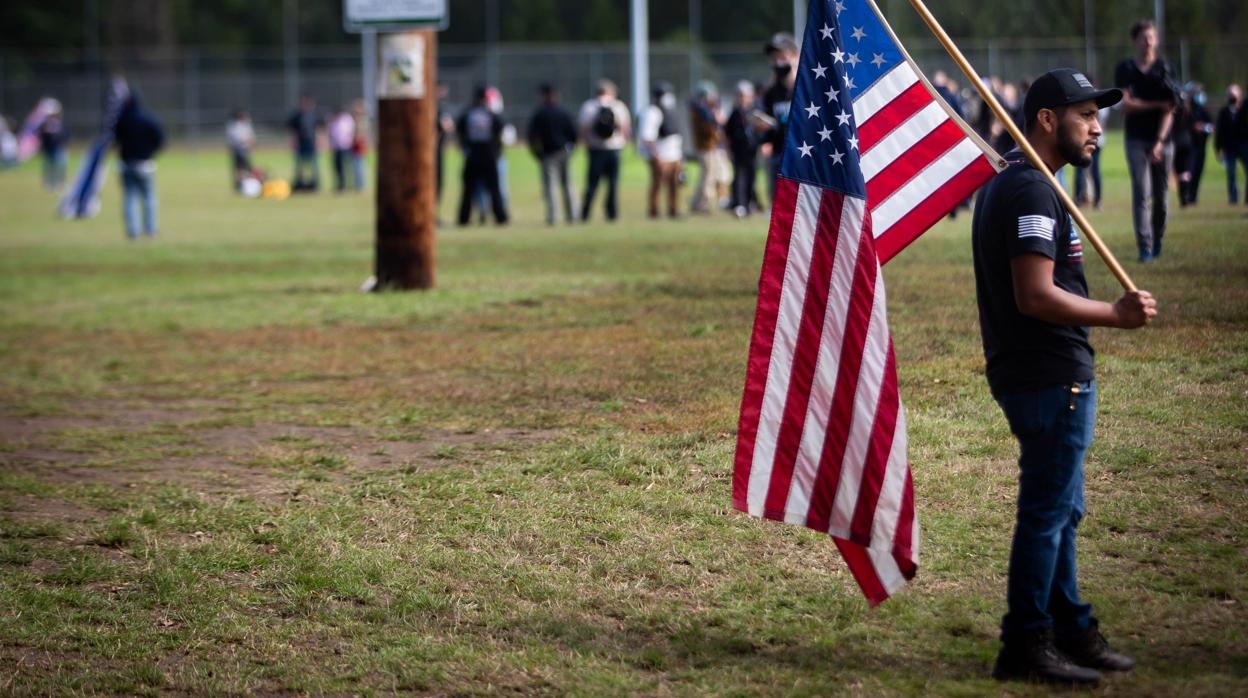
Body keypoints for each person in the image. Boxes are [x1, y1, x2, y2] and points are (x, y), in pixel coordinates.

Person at [972, 69, 1156, 686]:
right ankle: (1025, 641)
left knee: (1063, 509)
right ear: (1047, 121)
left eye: (1098, 116)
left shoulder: (1025, 182)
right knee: (1047, 513)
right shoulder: (1028, 190)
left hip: (1044, 375)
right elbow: (1035, 295)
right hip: (1049, 377)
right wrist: (1115, 315)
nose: (1098, 128)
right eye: (1085, 115)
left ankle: (1071, 627)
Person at [1114, 20, 1178, 262]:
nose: (1148, 42)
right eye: (1143, 37)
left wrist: (1160, 142)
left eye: (1151, 37)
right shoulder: (1126, 69)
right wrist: (1156, 104)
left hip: (1163, 140)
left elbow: (1170, 108)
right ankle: (1145, 246)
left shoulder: (1166, 68)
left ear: (1157, 40)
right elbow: (1125, 104)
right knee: (1142, 192)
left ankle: (1158, 238)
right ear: (1135, 41)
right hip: (1136, 140)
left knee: (1161, 198)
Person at [113, 90, 165, 240]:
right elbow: (160, 139)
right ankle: (150, 231)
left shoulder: (121, 120)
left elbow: (114, 139)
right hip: (145, 164)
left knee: (130, 197)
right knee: (149, 198)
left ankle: (133, 232)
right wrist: (150, 152)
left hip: (126, 164)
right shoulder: (148, 119)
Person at [577, 79, 631, 222]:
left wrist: (587, 144)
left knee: (592, 184)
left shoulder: (589, 106)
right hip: (615, 148)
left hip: (596, 149)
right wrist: (624, 142)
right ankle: (611, 213)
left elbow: (584, 129)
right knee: (612, 183)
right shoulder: (618, 106)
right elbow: (625, 128)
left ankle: (585, 213)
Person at [527, 83, 579, 225]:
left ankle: (553, 217)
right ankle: (573, 216)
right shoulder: (564, 112)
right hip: (565, 151)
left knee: (551, 187)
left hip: (548, 154)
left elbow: (532, 137)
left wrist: (537, 154)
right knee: (568, 184)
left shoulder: (540, 114)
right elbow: (574, 134)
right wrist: (572, 148)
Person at [456, 86, 508, 226]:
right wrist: (497, 149)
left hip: (472, 156)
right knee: (494, 188)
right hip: (489, 155)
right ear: (486, 98)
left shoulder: (467, 113)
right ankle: (500, 217)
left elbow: (459, 130)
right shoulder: (490, 113)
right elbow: (501, 129)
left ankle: (463, 218)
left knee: (468, 190)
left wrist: (464, 147)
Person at [759, 32, 798, 206]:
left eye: (782, 56)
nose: (777, 62)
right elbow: (766, 121)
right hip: (778, 156)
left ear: (795, 56)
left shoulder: (809, 88)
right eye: (773, 58)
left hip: (803, 156)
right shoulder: (771, 92)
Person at [638, 81, 684, 219]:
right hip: (660, 154)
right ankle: (654, 211)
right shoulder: (652, 112)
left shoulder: (671, 110)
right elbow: (647, 137)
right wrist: (656, 155)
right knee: (658, 184)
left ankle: (674, 210)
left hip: (674, 154)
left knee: (675, 184)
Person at [689, 80, 730, 214]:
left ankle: (696, 202)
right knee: (709, 176)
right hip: (706, 147)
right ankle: (703, 203)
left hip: (707, 147)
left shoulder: (701, 110)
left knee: (706, 175)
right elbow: (709, 130)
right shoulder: (700, 111)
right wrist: (715, 126)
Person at [725, 81, 762, 218]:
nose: (743, 99)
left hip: (751, 150)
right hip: (738, 149)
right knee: (740, 176)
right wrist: (728, 147)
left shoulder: (755, 111)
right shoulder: (735, 113)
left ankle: (748, 204)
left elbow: (760, 130)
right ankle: (739, 204)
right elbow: (728, 132)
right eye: (740, 96)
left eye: (745, 96)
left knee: (751, 176)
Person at [1174, 85, 1213, 207]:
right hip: (1189, 145)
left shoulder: (1174, 111)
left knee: (1184, 171)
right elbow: (1194, 126)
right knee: (1188, 171)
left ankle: (1186, 196)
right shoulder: (1189, 111)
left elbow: (1210, 126)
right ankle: (1188, 196)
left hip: (1181, 144)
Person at [1214, 84, 1246, 205]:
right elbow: (1219, 131)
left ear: (1240, 95)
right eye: (1230, 94)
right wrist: (1218, 148)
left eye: (1234, 94)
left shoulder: (1244, 110)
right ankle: (1233, 198)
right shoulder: (1224, 112)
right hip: (1229, 148)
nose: (1232, 97)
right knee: (1231, 173)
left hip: (1243, 146)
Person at [1073, 106, 1110, 209]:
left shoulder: (1084, 102)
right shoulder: (1103, 105)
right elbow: (1103, 124)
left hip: (1085, 139)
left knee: (1081, 170)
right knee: (1094, 171)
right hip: (1097, 140)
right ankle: (1097, 200)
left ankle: (1078, 199)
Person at [287, 94, 324, 192]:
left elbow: (319, 130)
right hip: (300, 144)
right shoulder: (296, 116)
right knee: (299, 166)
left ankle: (315, 184)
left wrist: (319, 141)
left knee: (314, 166)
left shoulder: (314, 115)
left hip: (312, 144)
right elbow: (293, 131)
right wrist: (293, 142)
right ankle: (299, 184)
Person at [38, 100, 68, 191]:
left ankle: (60, 183)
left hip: (59, 148)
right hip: (49, 149)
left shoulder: (60, 124)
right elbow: (42, 137)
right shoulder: (45, 125)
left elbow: (65, 134)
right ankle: (49, 184)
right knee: (49, 168)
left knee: (60, 166)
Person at [226, 108, 255, 191]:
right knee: (238, 168)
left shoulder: (246, 124)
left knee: (247, 168)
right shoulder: (233, 125)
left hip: (245, 149)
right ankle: (239, 184)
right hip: (237, 149)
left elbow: (250, 136)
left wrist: (251, 141)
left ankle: (247, 183)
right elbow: (235, 138)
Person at [329, 104, 356, 193]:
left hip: (346, 147)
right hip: (337, 147)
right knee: (338, 168)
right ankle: (340, 185)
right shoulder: (333, 120)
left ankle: (349, 185)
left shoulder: (347, 120)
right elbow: (331, 133)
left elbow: (351, 132)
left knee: (347, 167)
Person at [350, 100, 369, 192]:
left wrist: (354, 141)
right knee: (357, 166)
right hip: (356, 145)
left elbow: (360, 134)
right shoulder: (355, 119)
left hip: (358, 145)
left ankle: (361, 185)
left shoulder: (361, 120)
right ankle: (358, 184)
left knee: (359, 166)